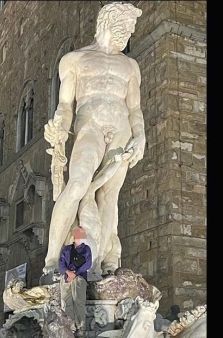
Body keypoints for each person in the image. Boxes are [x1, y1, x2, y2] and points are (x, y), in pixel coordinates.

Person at [43, 2, 144, 275]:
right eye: (127, 26)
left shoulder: (130, 66)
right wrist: (60, 126)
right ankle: (52, 260)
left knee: (109, 196)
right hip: (90, 125)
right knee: (76, 186)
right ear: (109, 22)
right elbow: (66, 105)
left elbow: (134, 108)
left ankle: (100, 262)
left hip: (121, 127)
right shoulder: (75, 60)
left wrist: (141, 136)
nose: (130, 32)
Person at [59, 226, 92, 337]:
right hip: (67, 278)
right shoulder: (67, 249)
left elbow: (88, 264)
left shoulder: (86, 249)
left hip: (79, 278)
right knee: (66, 302)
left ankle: (80, 326)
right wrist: (68, 273)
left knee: (79, 301)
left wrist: (75, 273)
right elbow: (61, 264)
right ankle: (70, 326)